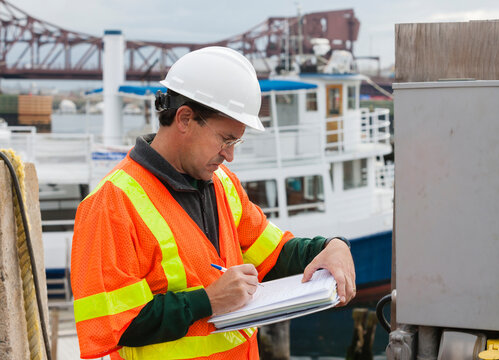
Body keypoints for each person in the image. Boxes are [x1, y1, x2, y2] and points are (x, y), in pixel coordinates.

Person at [71, 46, 356, 360]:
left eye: (237, 141)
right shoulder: (112, 203)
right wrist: (207, 301)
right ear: (185, 119)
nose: (230, 155)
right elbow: (114, 324)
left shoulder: (222, 183)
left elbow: (273, 254)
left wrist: (330, 248)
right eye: (226, 139)